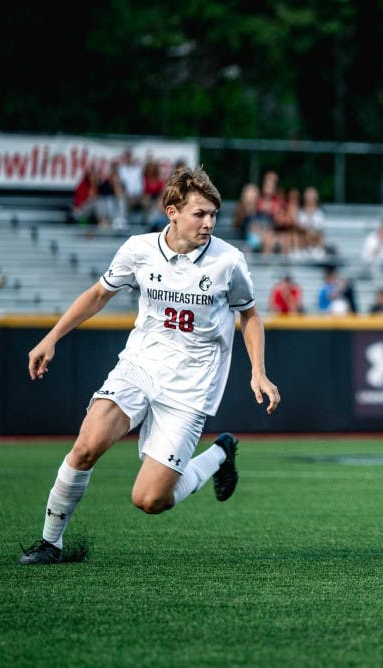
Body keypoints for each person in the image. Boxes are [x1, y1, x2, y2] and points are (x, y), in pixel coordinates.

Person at [18, 166, 281, 565]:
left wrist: (257, 371)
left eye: (213, 214)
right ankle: (50, 543)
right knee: (86, 447)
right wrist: (51, 337)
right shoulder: (138, 249)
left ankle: (220, 453)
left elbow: (250, 316)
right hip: (139, 366)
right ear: (171, 211)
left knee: (150, 500)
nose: (209, 223)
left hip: (191, 386)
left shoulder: (228, 261)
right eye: (200, 214)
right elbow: (97, 294)